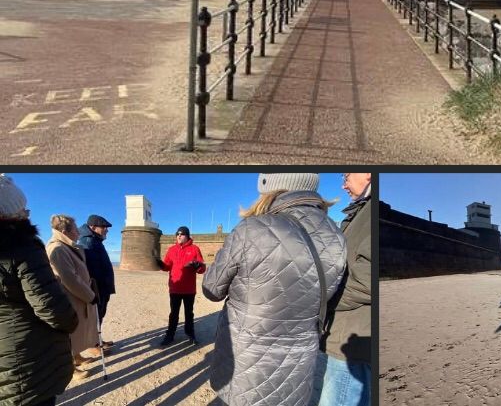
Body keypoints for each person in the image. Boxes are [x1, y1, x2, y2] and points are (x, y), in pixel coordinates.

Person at [203, 172, 346, 406]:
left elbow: (211, 290)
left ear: (269, 187)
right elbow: (328, 297)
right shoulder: (337, 236)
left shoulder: (251, 229)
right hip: (300, 361)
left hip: (247, 361)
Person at [0, 175, 78, 406]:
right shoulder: (21, 247)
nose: (26, 213)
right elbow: (51, 307)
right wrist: (71, 320)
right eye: (23, 208)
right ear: (10, 213)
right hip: (25, 356)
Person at [310, 172, 372, 406]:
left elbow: (366, 281)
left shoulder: (368, 214)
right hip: (350, 332)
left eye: (346, 176)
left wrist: (326, 298)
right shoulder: (360, 212)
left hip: (352, 339)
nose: (343, 184)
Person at [46, 214, 99, 381]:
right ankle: (70, 368)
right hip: (70, 298)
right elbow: (70, 279)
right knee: (68, 333)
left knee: (76, 332)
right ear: (64, 231)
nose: (78, 233)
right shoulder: (58, 248)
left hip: (76, 297)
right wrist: (90, 296)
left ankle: (76, 357)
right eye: (75, 230)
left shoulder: (66, 246)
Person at [156, 226, 205, 346]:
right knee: (173, 313)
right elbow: (167, 266)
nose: (178, 236)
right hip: (175, 288)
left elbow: (202, 269)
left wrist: (197, 265)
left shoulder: (194, 249)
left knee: (189, 313)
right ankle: (170, 335)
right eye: (177, 234)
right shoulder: (172, 249)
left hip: (189, 289)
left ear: (187, 236)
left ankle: (190, 335)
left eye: (181, 234)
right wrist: (160, 264)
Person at [78, 214, 115, 353]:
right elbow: (89, 270)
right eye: (104, 227)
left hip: (102, 287)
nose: (107, 230)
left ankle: (97, 340)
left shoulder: (95, 240)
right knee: (95, 316)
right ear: (93, 227)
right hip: (96, 288)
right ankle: (93, 345)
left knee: (100, 315)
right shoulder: (87, 242)